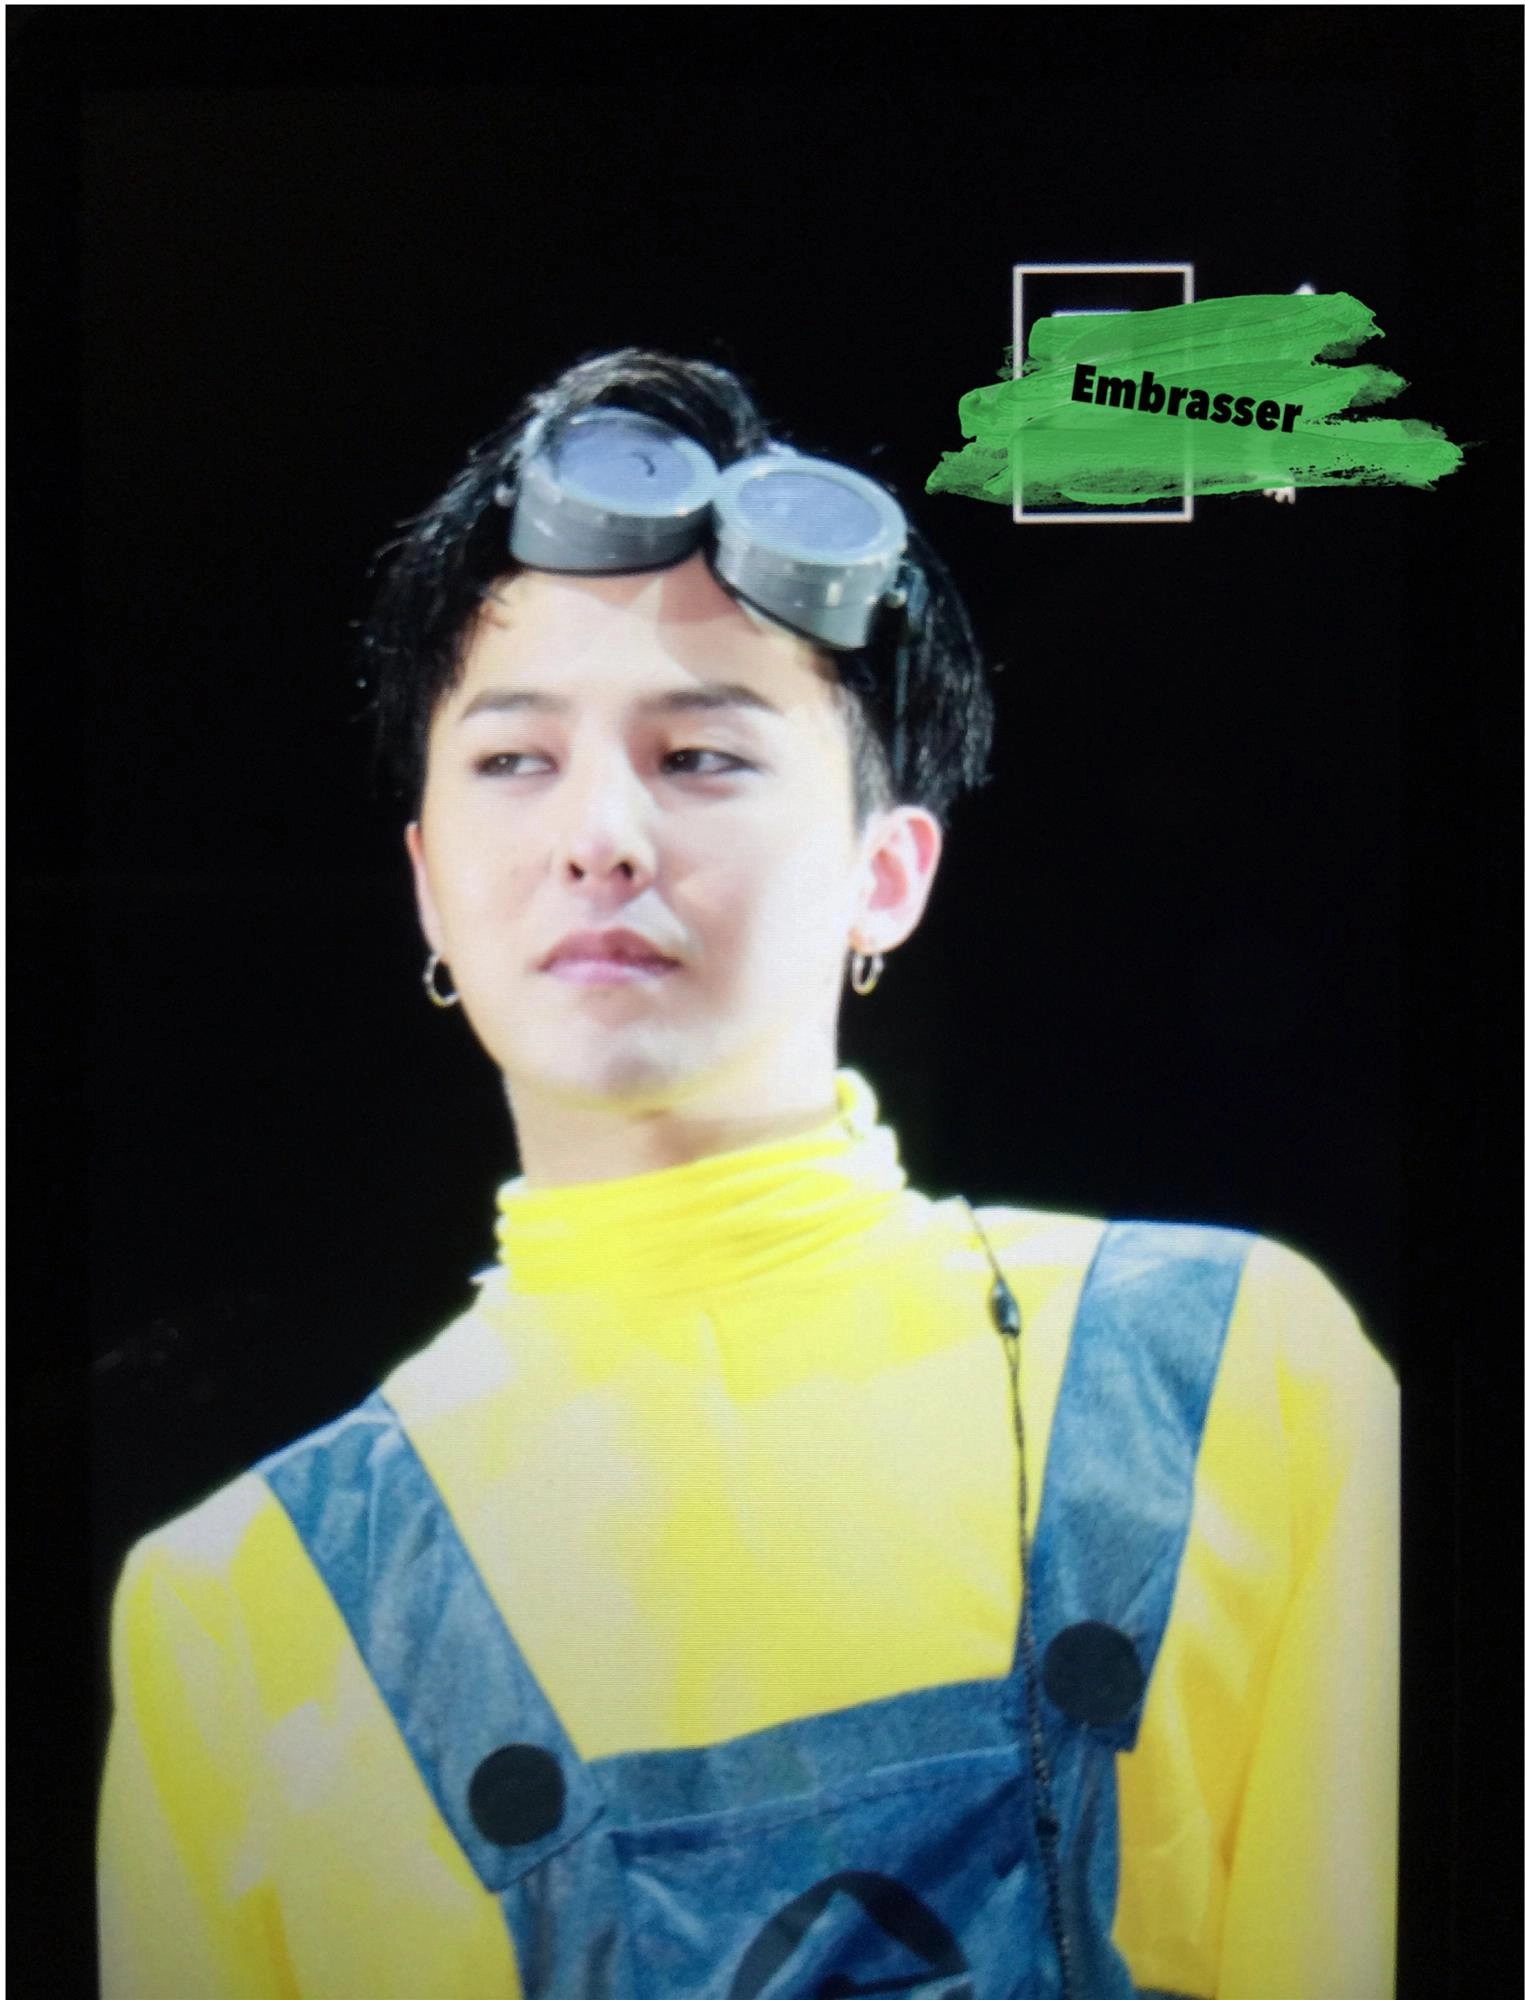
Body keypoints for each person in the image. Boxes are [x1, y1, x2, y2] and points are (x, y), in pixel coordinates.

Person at [97, 347, 1399, 2000]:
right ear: (428, 885)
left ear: (886, 873)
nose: (600, 836)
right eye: (514, 760)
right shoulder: (238, 1606)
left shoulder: (1228, 1383)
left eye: (702, 756)